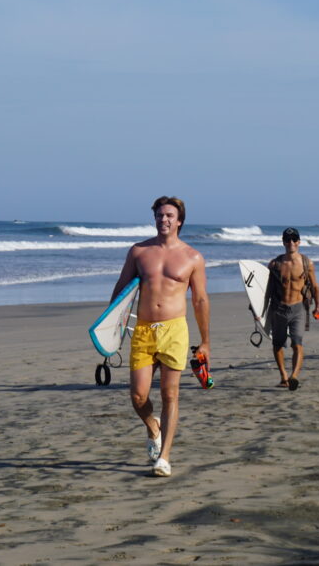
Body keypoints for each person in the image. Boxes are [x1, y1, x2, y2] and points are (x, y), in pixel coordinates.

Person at [110, 196, 210, 477]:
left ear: (179, 221)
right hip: (142, 329)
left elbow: (200, 300)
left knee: (170, 393)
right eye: (159, 215)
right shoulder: (139, 252)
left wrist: (205, 342)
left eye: (169, 215)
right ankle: (153, 426)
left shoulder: (192, 257)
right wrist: (111, 328)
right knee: (138, 396)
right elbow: (121, 290)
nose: (163, 219)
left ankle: (164, 457)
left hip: (175, 330)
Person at [261, 227, 319, 391]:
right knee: (278, 344)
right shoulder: (275, 263)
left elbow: (315, 287)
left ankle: (294, 376)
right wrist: (259, 311)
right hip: (278, 308)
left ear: (299, 242)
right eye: (288, 240)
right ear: (283, 242)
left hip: (298, 308)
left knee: (297, 343)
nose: (291, 243)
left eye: (294, 240)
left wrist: (318, 307)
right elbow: (267, 290)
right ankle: (283, 376)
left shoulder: (306, 263)